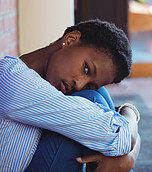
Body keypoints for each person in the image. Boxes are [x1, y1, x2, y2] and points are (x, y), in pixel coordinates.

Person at [0, 19, 141, 172]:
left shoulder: (50, 92)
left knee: (98, 94)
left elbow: (121, 132)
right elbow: (121, 136)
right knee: (93, 98)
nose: (79, 84)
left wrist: (129, 114)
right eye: (86, 69)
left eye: (89, 83)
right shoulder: (13, 80)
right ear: (70, 40)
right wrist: (130, 116)